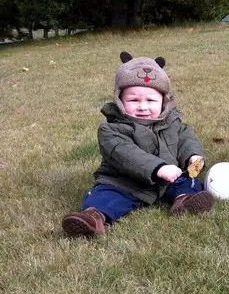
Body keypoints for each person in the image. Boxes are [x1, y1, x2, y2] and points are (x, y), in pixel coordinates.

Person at [62, 52, 214, 237]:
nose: (142, 106)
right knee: (106, 195)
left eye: (150, 100)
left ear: (163, 101)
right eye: (134, 100)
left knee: (187, 182)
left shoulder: (171, 122)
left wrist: (193, 156)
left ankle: (184, 201)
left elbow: (185, 138)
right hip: (124, 181)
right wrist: (158, 168)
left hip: (168, 180)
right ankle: (93, 218)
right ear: (120, 100)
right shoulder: (111, 129)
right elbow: (127, 154)